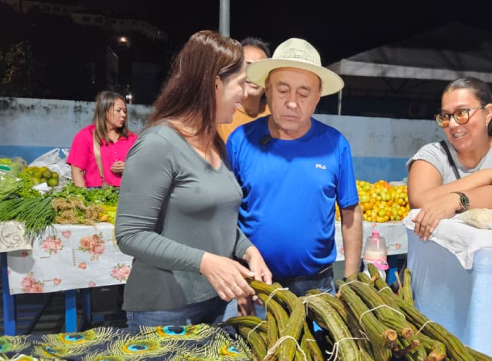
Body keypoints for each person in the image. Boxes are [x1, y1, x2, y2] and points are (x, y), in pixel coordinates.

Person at [115, 31, 271, 327]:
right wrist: (205, 262)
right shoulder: (159, 144)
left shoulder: (215, 143)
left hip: (217, 302)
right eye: (239, 84)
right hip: (165, 309)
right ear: (215, 83)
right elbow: (130, 235)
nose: (244, 95)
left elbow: (218, 220)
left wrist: (249, 251)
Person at [227, 38, 361, 295]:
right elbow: (225, 213)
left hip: (318, 286)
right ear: (267, 88)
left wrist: (351, 280)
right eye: (282, 90)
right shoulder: (240, 140)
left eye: (303, 93)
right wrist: (236, 276)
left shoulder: (336, 145)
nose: (292, 103)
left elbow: (350, 213)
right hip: (254, 283)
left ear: (318, 95)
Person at [407, 77, 492, 240]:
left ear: (488, 113)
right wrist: (487, 176)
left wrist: (456, 200)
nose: (452, 124)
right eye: (446, 116)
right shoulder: (433, 154)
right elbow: (420, 200)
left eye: (461, 113)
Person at [67, 91, 138, 188]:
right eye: (119, 110)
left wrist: (129, 168)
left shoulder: (132, 138)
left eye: (125, 111)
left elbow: (145, 169)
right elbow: (77, 170)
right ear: (105, 111)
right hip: (96, 196)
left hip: (127, 194)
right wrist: (83, 198)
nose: (123, 115)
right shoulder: (86, 136)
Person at [216, 37, 272, 143]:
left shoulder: (276, 114)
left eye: (261, 69)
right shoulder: (220, 115)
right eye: (248, 67)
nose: (254, 75)